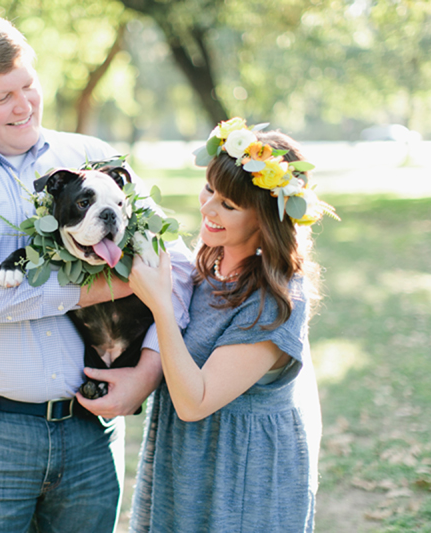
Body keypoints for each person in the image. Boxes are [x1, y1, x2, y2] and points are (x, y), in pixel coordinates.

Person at [0, 13, 192, 533]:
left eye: (29, 85)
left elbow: (179, 265)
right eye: (1, 96)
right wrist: (124, 280)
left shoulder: (93, 157)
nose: (24, 104)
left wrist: (146, 374)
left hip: (91, 432)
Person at [122, 118, 337, 532]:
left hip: (240, 475)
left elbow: (194, 402)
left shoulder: (275, 301)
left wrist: (161, 306)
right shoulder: (206, 266)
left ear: (265, 220)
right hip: (184, 461)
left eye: (229, 205)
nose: (207, 208)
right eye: (209, 190)